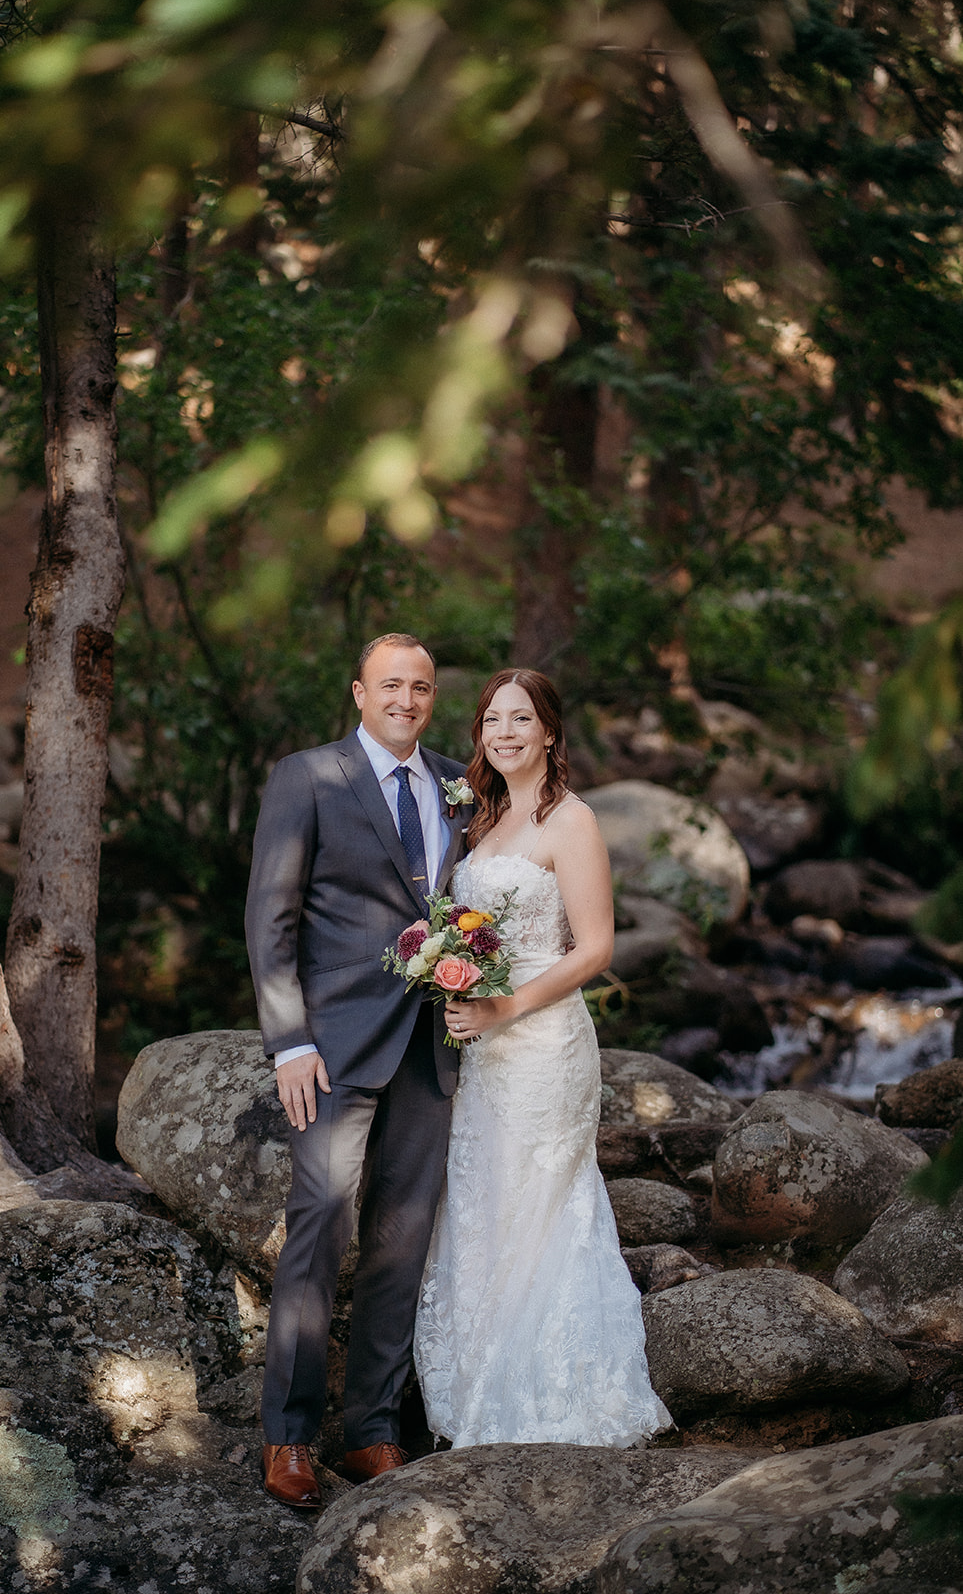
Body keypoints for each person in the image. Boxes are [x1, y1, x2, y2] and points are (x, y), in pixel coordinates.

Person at [414, 668, 671, 1447]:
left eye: (521, 719)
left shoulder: (572, 821)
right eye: (492, 719)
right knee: (482, 1200)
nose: (504, 732)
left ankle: (545, 1398)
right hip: (483, 1050)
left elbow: (594, 948)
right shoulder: (480, 815)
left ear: (551, 732)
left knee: (540, 1203)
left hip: (542, 1040)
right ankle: (468, 1393)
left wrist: (503, 1006)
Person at [245, 633, 469, 1508]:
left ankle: (371, 1430)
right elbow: (272, 916)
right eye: (389, 685)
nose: (405, 700)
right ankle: (289, 1439)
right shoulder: (308, 777)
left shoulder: (457, 782)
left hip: (432, 1043)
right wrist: (288, 1041)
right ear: (358, 693)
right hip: (332, 1044)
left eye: (419, 688)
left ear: (431, 697)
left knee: (403, 1237)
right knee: (320, 1225)